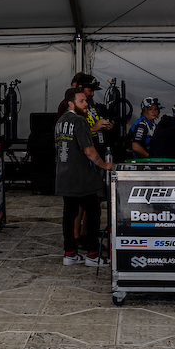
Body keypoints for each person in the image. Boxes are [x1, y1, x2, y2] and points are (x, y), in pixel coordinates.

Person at [55, 87, 112, 266]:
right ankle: (93, 255)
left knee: (69, 215)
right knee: (93, 212)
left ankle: (70, 253)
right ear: (70, 104)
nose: (86, 103)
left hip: (64, 175)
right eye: (82, 101)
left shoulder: (60, 122)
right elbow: (89, 151)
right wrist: (105, 165)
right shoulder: (79, 121)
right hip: (82, 177)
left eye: (85, 100)